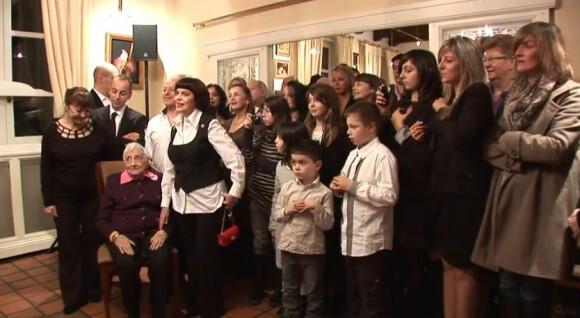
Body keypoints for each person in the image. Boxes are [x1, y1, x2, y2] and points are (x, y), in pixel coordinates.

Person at [472, 22, 580, 318]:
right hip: (505, 201)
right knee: (507, 286)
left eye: (527, 45)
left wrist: (511, 141)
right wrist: (517, 157)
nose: (518, 51)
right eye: (517, 45)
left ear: (548, 50)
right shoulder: (515, 93)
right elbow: (488, 147)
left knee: (533, 292)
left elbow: (557, 147)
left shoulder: (570, 94)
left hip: (540, 205)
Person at [160, 77, 246, 318]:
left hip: (208, 200)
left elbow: (235, 160)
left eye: (184, 94)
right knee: (190, 255)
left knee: (207, 256)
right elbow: (169, 169)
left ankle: (211, 306)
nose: (178, 98)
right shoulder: (176, 126)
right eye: (177, 93)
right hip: (181, 202)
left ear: (196, 98)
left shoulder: (209, 125)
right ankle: (196, 302)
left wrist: (235, 191)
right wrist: (165, 203)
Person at [430, 36, 493, 318]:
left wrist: (443, 112)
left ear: (465, 62)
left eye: (448, 60)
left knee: (464, 267)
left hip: (465, 193)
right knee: (448, 263)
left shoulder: (477, 93)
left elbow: (464, 138)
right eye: (440, 59)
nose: (441, 65)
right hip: (446, 191)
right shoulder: (454, 97)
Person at [41, 87, 113, 314]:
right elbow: (46, 168)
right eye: (79, 110)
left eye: (88, 110)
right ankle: (73, 296)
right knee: (69, 245)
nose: (84, 115)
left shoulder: (97, 130)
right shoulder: (52, 132)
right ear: (67, 105)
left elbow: (114, 149)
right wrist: (48, 200)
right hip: (63, 198)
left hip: (92, 196)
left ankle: (93, 288)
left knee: (92, 241)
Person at [330, 101, 399, 318]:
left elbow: (389, 195)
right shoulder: (353, 154)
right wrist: (338, 188)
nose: (348, 132)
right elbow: (345, 181)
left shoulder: (382, 156)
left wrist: (353, 186)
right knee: (354, 293)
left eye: (354, 127)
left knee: (372, 296)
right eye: (347, 127)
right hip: (351, 236)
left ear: (371, 127)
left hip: (371, 240)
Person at [387, 49, 442, 318]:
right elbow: (393, 149)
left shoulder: (433, 107)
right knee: (401, 261)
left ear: (425, 70)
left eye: (409, 69)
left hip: (421, 193)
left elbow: (424, 155)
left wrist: (401, 130)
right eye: (401, 69)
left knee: (419, 261)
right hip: (399, 189)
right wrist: (401, 131)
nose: (402, 74)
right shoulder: (401, 107)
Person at [95, 142, 172, 318]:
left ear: (146, 161)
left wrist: (165, 231)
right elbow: (101, 219)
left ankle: (159, 312)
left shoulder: (159, 179)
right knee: (127, 263)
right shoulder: (114, 182)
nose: (133, 163)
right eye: (128, 159)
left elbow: (171, 210)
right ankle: (133, 312)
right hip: (123, 234)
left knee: (161, 261)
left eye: (138, 158)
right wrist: (115, 237)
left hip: (154, 232)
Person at [305, 83, 354, 316]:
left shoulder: (342, 132)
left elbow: (345, 166)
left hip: (332, 197)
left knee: (333, 251)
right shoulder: (305, 130)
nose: (312, 104)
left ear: (329, 103)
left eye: (317, 100)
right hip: (308, 196)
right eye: (309, 100)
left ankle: (337, 302)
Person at [274, 140, 334, 318]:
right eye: (294, 162)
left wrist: (315, 207)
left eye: (302, 162)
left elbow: (328, 224)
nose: (297, 167)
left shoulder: (324, 193)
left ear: (317, 165)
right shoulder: (287, 188)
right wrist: (288, 210)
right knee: (290, 289)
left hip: (312, 249)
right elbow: (277, 214)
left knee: (314, 291)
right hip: (288, 247)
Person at [243, 95, 291, 306]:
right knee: (260, 241)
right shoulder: (261, 133)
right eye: (262, 110)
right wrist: (247, 131)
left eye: (268, 111)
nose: (263, 114)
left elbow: (285, 168)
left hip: (279, 199)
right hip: (258, 194)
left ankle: (281, 289)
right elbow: (247, 157)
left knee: (278, 244)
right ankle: (258, 285)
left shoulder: (287, 135)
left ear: (279, 113)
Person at [270, 121, 311, 317]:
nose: (275, 140)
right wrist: (273, 222)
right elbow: (277, 195)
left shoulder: (307, 166)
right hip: (283, 220)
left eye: (280, 137)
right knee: (284, 263)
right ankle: (289, 301)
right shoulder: (280, 165)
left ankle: (302, 302)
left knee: (302, 265)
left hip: (304, 224)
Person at [91, 75, 147, 160]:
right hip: (99, 166)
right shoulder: (95, 116)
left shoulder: (138, 119)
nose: (117, 97)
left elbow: (136, 149)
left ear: (129, 95)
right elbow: (95, 145)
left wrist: (107, 141)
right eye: (114, 91)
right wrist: (122, 140)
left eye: (123, 93)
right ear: (109, 91)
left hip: (125, 167)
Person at [146, 74, 185, 171]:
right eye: (164, 90)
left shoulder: (190, 121)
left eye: (171, 90)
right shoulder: (153, 123)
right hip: (159, 179)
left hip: (186, 180)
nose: (166, 93)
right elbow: (148, 154)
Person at [481, 35, 516, 118]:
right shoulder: (481, 93)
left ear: (511, 61)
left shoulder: (524, 95)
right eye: (485, 60)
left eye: (492, 59)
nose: (486, 64)